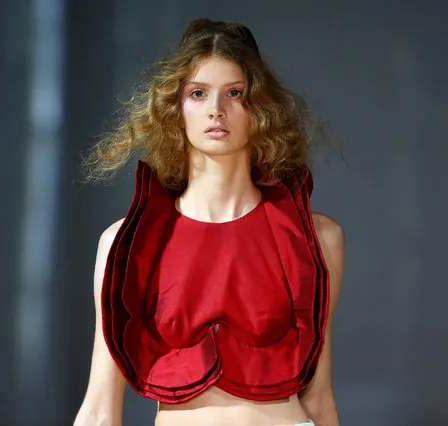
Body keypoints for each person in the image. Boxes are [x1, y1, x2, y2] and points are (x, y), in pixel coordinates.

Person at [74, 18, 344, 426]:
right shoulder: (125, 245)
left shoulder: (314, 238)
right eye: (198, 93)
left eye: (235, 93)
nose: (216, 110)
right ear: (174, 108)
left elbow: (319, 399)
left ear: (261, 108)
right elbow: (98, 410)